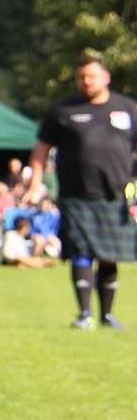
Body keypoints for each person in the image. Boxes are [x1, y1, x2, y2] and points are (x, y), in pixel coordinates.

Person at [29, 54, 137, 329]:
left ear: (106, 78)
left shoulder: (127, 109)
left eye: (91, 76)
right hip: (76, 195)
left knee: (109, 255)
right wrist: (34, 183)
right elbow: (41, 150)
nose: (86, 81)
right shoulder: (62, 111)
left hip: (115, 195)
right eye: (81, 77)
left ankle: (108, 315)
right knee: (81, 251)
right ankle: (84, 314)